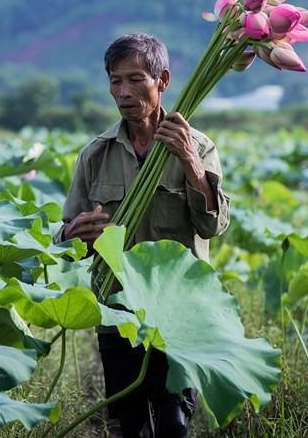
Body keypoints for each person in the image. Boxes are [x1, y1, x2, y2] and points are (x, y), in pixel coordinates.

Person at [55, 33, 230, 437]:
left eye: (135, 80)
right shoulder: (94, 154)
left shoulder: (197, 146)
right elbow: (66, 238)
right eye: (115, 81)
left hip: (178, 308)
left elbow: (213, 226)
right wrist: (71, 233)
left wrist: (189, 162)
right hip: (116, 310)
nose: (123, 92)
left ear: (162, 80)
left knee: (173, 424)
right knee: (128, 427)